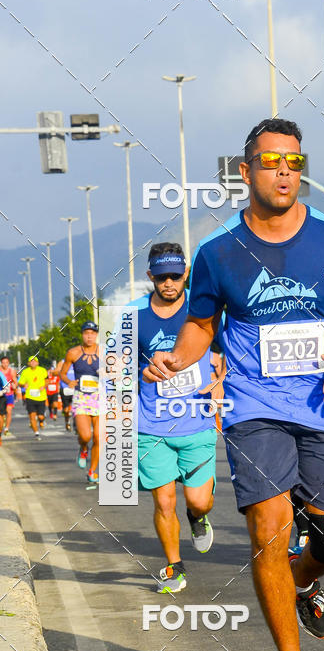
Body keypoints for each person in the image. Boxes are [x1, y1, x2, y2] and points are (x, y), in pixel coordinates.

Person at [144, 117, 324, 651]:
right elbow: (200, 325)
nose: (284, 171)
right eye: (272, 161)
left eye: (294, 162)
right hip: (254, 409)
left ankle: (303, 579)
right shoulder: (218, 252)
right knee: (268, 528)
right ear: (245, 172)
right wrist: (176, 359)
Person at [131, 242, 218, 594]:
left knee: (199, 500)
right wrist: (139, 376)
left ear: (186, 275)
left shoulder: (204, 311)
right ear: (150, 275)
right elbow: (115, 372)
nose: (169, 282)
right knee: (163, 500)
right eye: (162, 276)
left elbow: (224, 355)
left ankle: (198, 518)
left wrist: (222, 391)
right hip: (150, 426)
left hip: (196, 422)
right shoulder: (130, 316)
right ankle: (173, 567)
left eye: (176, 275)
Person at [60, 322, 100, 487]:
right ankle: (83, 449)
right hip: (82, 397)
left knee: (99, 437)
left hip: (100, 396)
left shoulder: (105, 352)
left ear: (96, 335)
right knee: (86, 436)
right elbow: (62, 373)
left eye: (92, 333)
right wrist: (69, 381)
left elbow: (117, 371)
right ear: (82, 334)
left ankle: (92, 471)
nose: (89, 336)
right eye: (86, 333)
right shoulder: (73, 352)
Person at [18, 356, 48, 438]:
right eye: (31, 361)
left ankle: (41, 420)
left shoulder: (42, 370)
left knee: (40, 416)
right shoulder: (25, 372)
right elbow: (19, 383)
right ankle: (36, 433)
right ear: (28, 363)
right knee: (32, 415)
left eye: (34, 361)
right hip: (30, 397)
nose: (33, 363)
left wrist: (44, 386)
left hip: (41, 396)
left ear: (37, 363)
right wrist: (24, 385)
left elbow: (47, 380)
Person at [0, 357, 18, 437]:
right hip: (1, 395)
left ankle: (6, 429)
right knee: (2, 414)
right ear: (1, 363)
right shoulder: (0, 371)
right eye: (3, 363)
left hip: (9, 394)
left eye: (6, 362)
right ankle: (2, 424)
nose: (5, 364)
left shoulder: (12, 371)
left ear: (9, 363)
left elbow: (15, 382)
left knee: (9, 411)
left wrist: (14, 386)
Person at [56, 358, 75, 431]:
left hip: (76, 388)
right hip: (65, 388)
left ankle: (76, 424)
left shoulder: (78, 361)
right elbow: (54, 372)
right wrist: (59, 371)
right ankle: (67, 421)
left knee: (76, 408)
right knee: (66, 410)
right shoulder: (62, 362)